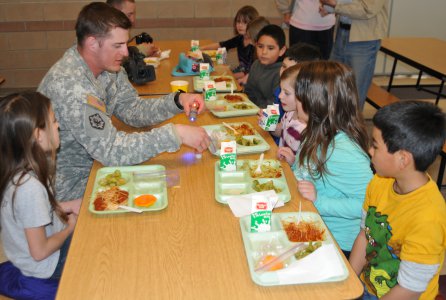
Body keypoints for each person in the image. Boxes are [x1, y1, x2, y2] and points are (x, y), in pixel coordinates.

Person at [37, 2, 210, 202]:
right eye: (117, 46)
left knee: (182, 189)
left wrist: (178, 100)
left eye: (125, 44)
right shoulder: (71, 86)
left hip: (98, 169)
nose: (126, 53)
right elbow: (112, 151)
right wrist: (175, 134)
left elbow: (132, 109)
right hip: (73, 190)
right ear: (92, 43)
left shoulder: (108, 65)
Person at [349, 101, 446, 300]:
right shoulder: (379, 182)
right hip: (369, 286)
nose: (370, 150)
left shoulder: (428, 218)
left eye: (375, 145)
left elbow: (409, 290)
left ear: (403, 159)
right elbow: (365, 235)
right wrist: (348, 285)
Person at [0, 92, 81, 298]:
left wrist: (68, 205)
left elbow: (30, 215)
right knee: (100, 246)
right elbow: (40, 252)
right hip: (46, 265)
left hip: (34, 253)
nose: (58, 125)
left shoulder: (19, 171)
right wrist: (70, 228)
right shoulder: (30, 188)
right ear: (38, 135)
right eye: (53, 121)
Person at [292, 61, 373, 258]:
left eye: (298, 95)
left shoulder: (343, 151)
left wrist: (319, 200)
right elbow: (306, 171)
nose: (294, 100)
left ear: (314, 102)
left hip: (336, 242)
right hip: (312, 224)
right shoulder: (315, 131)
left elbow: (368, 204)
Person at [319, 0, 389, 110]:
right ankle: (332, 125)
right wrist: (329, 7)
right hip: (340, 33)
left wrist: (335, 5)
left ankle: (350, 127)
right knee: (332, 85)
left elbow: (367, 9)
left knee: (355, 93)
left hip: (363, 40)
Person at [270, 42, 322, 145]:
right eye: (283, 66)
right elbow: (281, 127)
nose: (284, 73)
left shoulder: (306, 123)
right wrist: (267, 121)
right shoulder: (281, 92)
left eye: (290, 70)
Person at [201, 6, 259, 82]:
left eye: (244, 22)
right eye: (238, 22)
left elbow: (249, 72)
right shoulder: (240, 38)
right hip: (240, 71)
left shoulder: (255, 45)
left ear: (253, 24)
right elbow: (222, 44)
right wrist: (201, 48)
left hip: (249, 77)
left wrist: (228, 76)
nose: (240, 25)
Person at [244, 24, 286, 108]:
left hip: (269, 116)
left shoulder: (282, 72)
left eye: (270, 48)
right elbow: (248, 92)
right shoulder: (255, 65)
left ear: (281, 50)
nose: (264, 52)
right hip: (252, 110)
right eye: (260, 46)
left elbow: (274, 103)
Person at [274, 65, 306, 165]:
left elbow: (306, 167)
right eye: (281, 90)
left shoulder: (305, 129)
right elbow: (280, 131)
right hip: (280, 164)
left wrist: (293, 163)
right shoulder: (289, 113)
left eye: (286, 93)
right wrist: (268, 124)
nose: (279, 96)